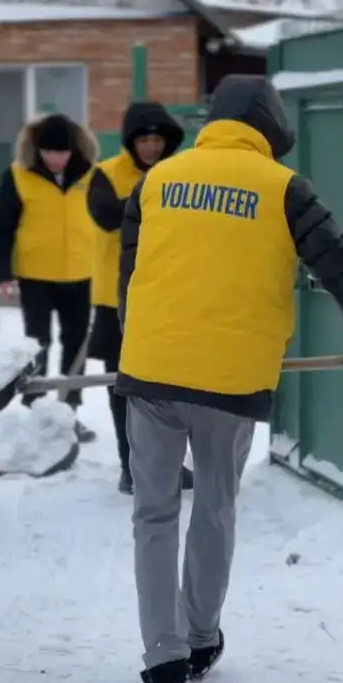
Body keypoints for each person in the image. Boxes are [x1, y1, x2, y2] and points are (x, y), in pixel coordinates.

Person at [116, 74, 343, 683]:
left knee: (153, 515)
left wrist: (135, 346)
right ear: (270, 131)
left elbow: (130, 273)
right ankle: (199, 638)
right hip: (228, 382)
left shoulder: (157, 180)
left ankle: (162, 655)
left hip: (150, 374)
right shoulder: (282, 187)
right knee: (214, 507)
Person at [87, 101, 194, 494]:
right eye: (144, 139)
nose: (151, 146)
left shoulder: (182, 172)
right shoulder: (106, 175)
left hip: (170, 295)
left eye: (157, 139)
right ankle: (131, 467)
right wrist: (156, 195)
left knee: (171, 387)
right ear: (130, 142)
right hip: (117, 300)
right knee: (123, 387)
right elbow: (106, 215)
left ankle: (169, 464)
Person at [0, 112, 97, 444]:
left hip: (81, 272)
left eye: (62, 152)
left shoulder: (93, 175)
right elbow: (1, 225)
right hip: (36, 274)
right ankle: (35, 408)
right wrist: (3, 274)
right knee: (38, 343)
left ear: (74, 149)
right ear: (38, 149)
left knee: (76, 345)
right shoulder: (19, 175)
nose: (57, 158)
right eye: (50, 152)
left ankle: (70, 412)